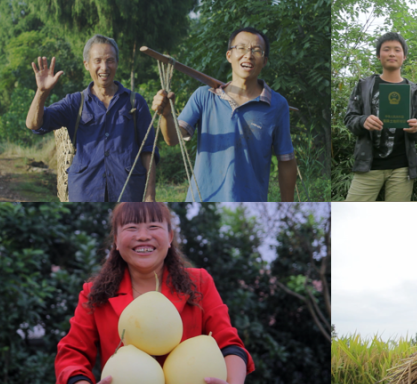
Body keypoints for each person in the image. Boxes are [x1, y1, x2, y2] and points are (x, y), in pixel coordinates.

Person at [55, 203, 253, 384]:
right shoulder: (95, 293)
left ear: (170, 237)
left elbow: (229, 344)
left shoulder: (199, 283)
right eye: (131, 227)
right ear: (116, 240)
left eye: (153, 226)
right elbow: (72, 355)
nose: (143, 236)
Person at [152, 27, 296, 202]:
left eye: (256, 50)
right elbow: (172, 139)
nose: (248, 55)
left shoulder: (277, 105)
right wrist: (167, 115)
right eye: (241, 48)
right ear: (229, 55)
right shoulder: (204, 96)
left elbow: (286, 161)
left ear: (264, 61)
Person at [26, 34, 159, 202]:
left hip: (128, 193)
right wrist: (42, 93)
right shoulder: (75, 103)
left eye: (110, 60)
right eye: (97, 61)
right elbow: (34, 124)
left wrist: (150, 196)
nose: (104, 67)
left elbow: (149, 150)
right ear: (86, 65)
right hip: (84, 192)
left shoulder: (135, 102)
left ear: (117, 63)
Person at [342, 32, 417, 201]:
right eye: (386, 49)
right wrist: (363, 121)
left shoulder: (414, 90)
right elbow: (350, 118)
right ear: (378, 55)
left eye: (397, 50)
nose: (392, 53)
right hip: (368, 165)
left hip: (402, 167)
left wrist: (416, 127)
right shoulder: (364, 86)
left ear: (404, 56)